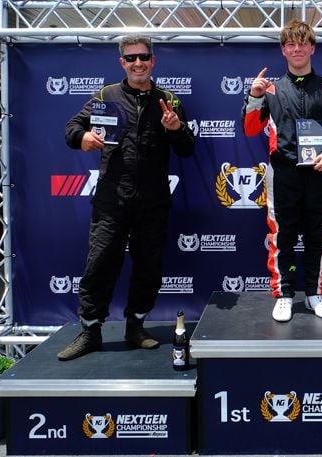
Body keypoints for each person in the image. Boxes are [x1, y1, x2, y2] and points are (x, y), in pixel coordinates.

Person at [58, 35, 195, 361]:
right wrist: (84, 137)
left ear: (153, 60)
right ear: (122, 62)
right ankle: (90, 332)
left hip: (153, 200)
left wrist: (175, 128)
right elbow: (70, 128)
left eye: (143, 57)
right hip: (112, 199)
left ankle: (136, 327)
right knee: (100, 263)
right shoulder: (106, 95)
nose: (138, 63)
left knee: (148, 265)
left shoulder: (169, 101)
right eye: (131, 58)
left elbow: (187, 149)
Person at [241, 20, 322, 322]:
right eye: (290, 44)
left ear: (312, 48)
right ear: (283, 50)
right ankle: (285, 293)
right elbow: (251, 128)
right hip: (283, 175)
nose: (297, 49)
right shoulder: (271, 90)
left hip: (320, 173)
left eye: (302, 43)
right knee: (284, 237)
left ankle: (316, 293)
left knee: (318, 236)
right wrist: (253, 97)